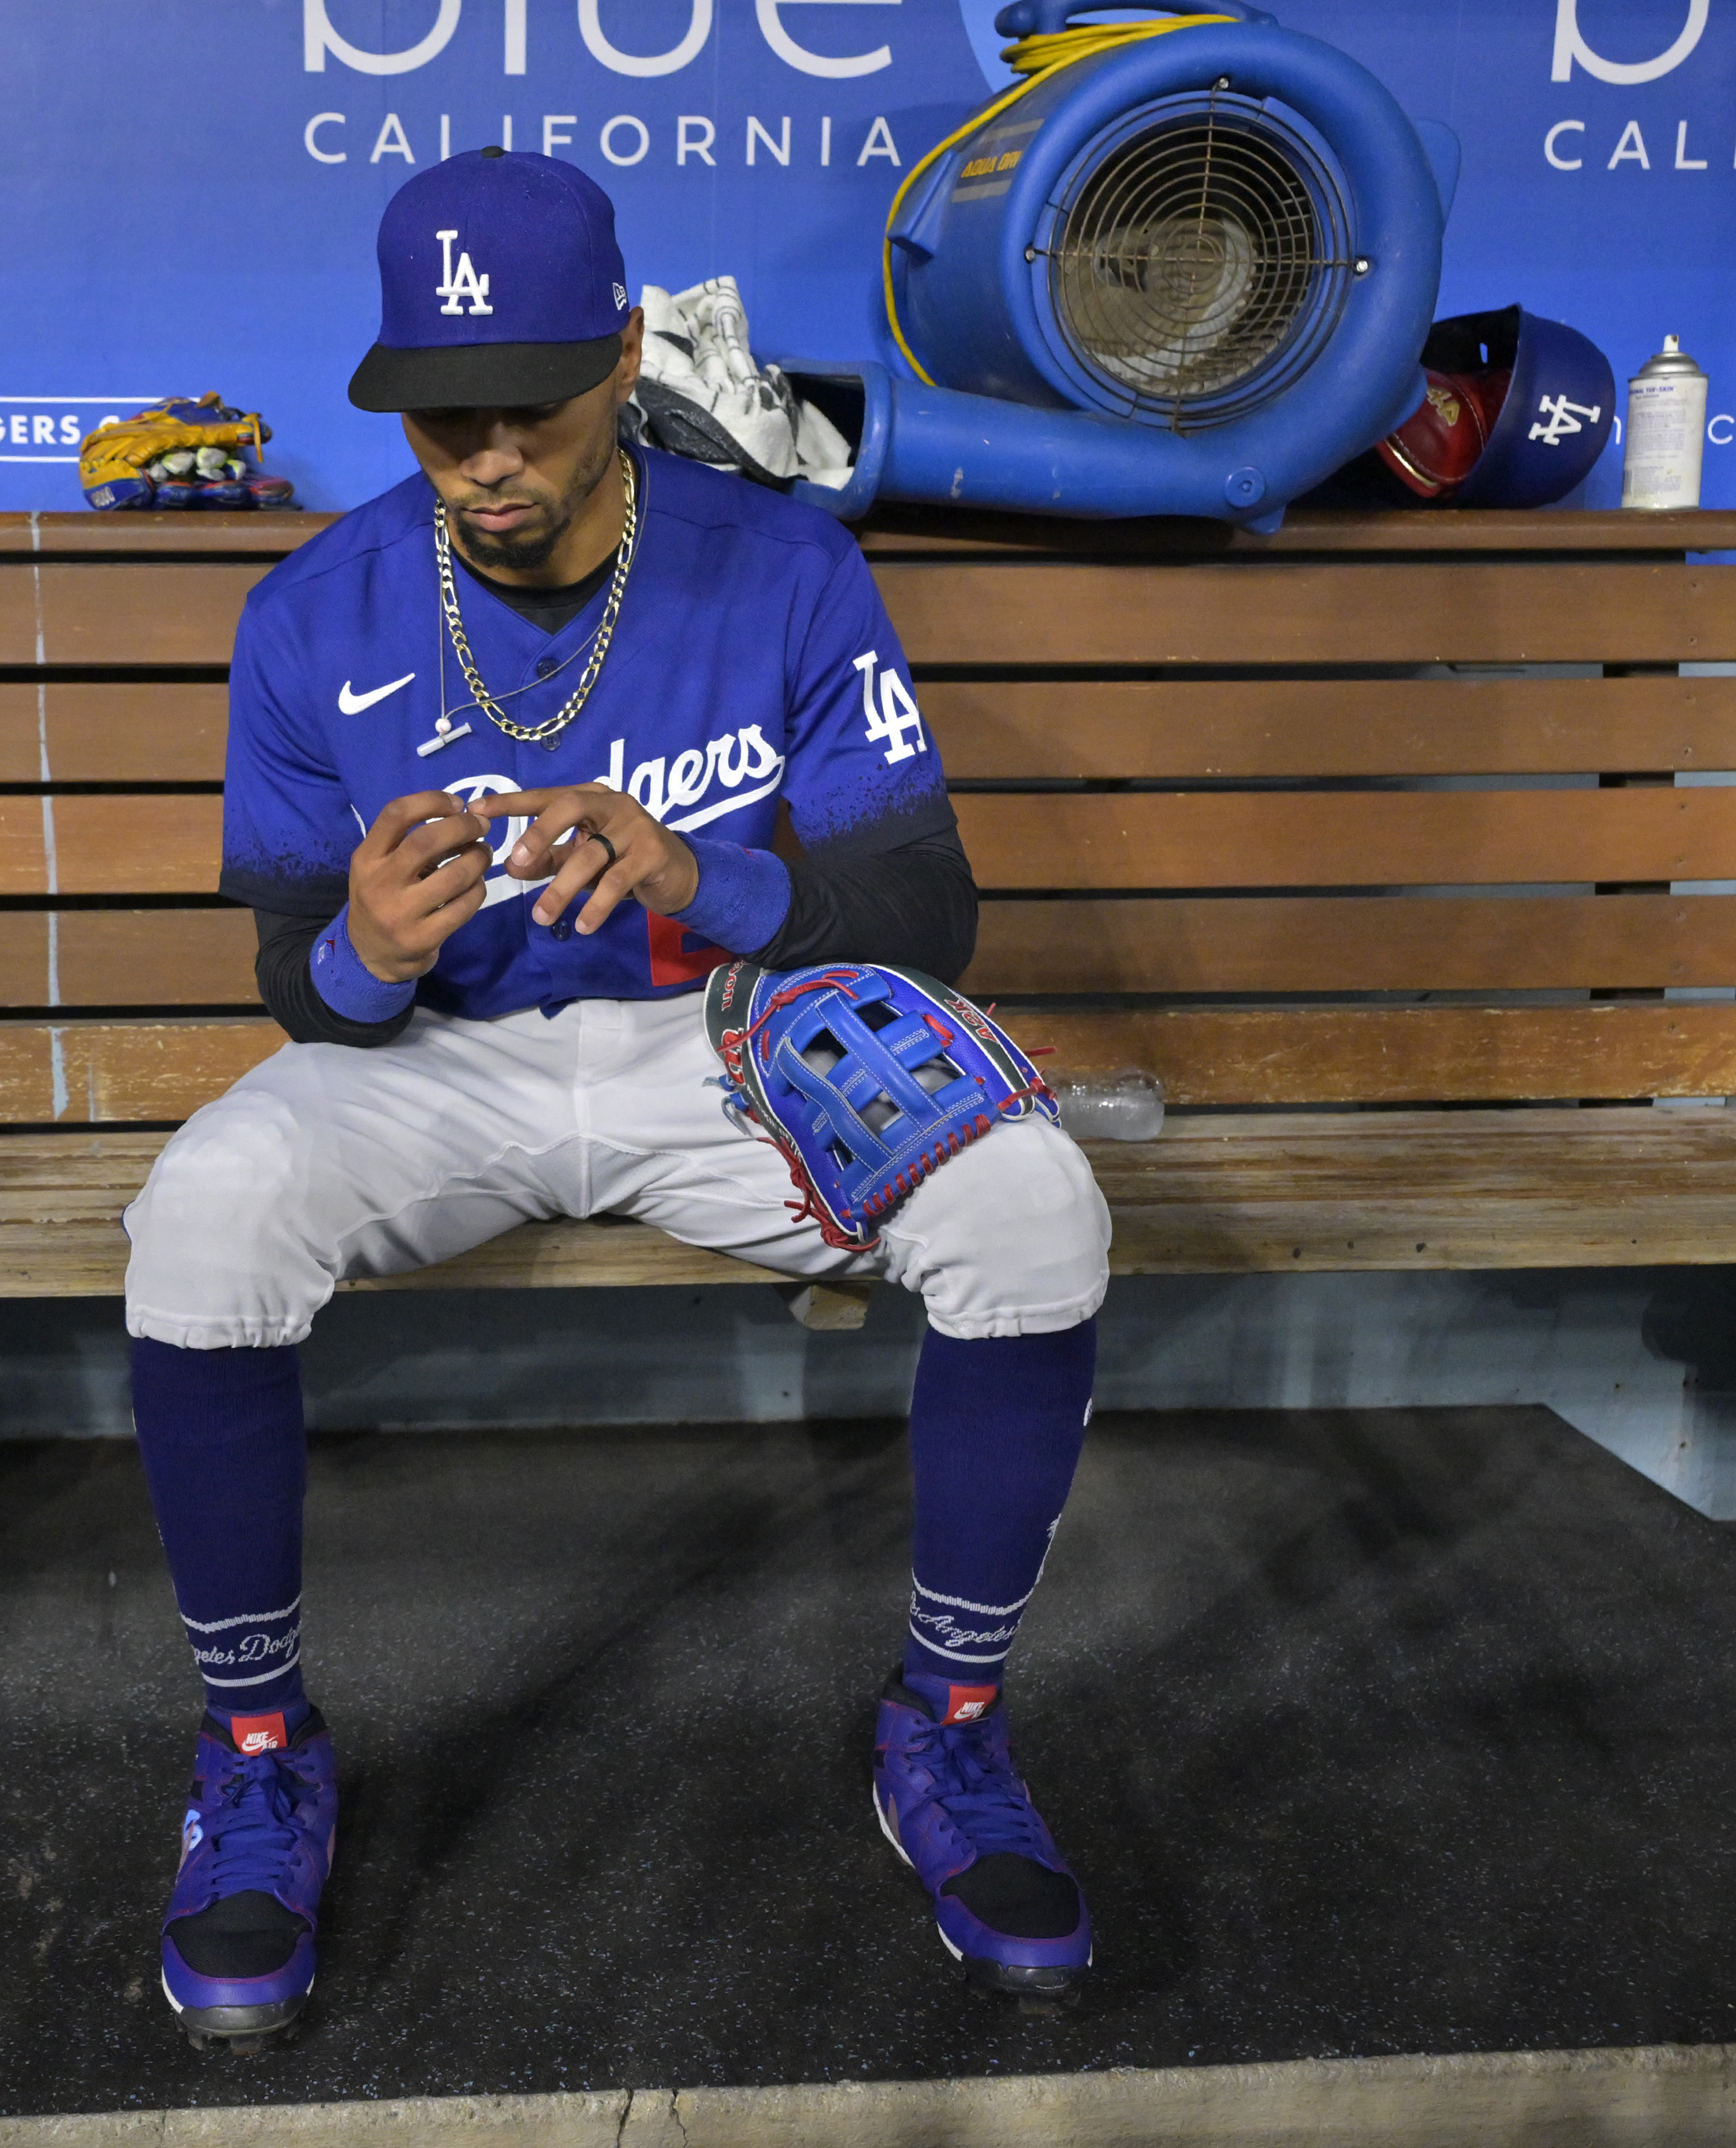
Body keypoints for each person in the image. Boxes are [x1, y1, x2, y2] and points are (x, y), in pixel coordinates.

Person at [120, 150, 1113, 2050]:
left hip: (722, 1042)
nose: (484, 455)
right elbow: (291, 983)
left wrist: (703, 877)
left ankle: (953, 1727)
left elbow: (928, 918)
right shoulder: (310, 612)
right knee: (202, 1219)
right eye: (440, 414)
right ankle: (257, 1751)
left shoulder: (788, 564)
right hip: (435, 1063)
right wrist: (368, 954)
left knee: (1034, 1207)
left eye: (531, 405)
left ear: (628, 355)